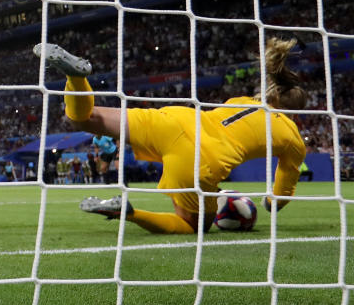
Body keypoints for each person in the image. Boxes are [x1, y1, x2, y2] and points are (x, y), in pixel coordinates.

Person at [34, 39, 307, 234]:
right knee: (193, 225)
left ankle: (76, 78)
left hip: (176, 120)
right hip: (200, 156)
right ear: (295, 112)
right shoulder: (292, 136)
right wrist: (271, 203)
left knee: (84, 117)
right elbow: (283, 189)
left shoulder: (244, 100)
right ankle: (130, 213)